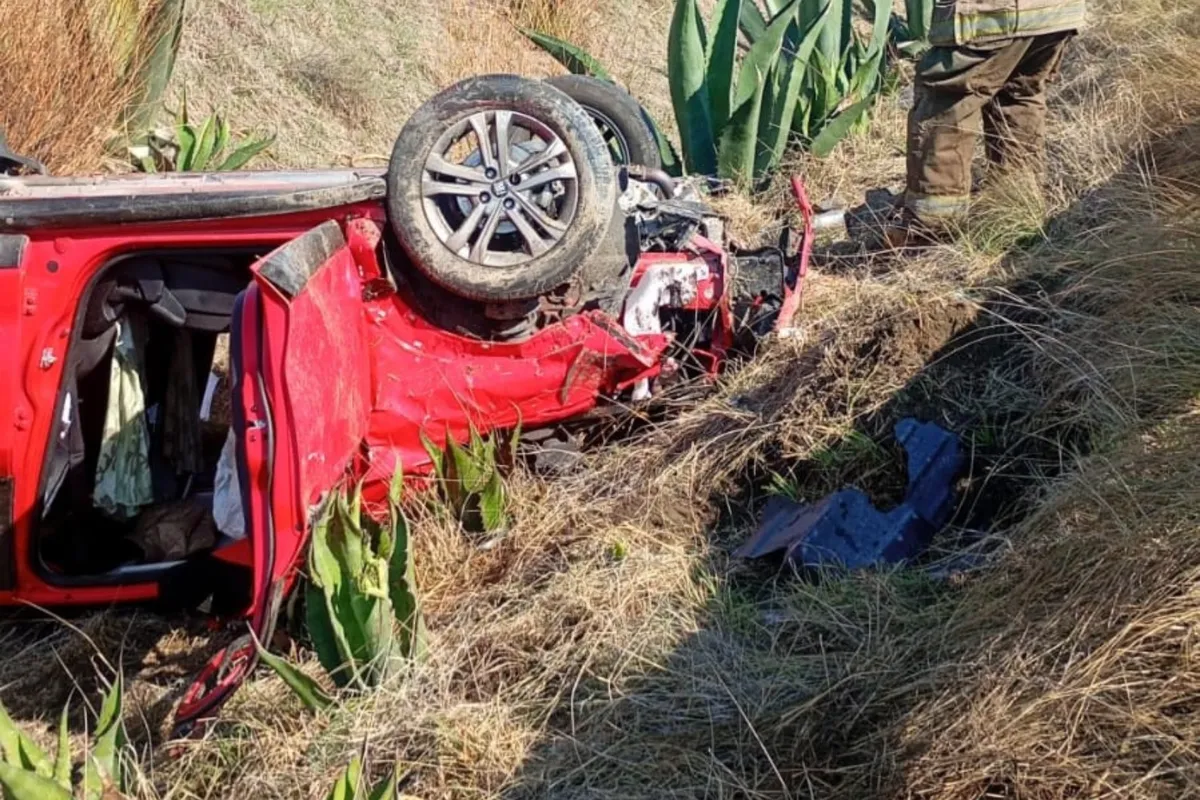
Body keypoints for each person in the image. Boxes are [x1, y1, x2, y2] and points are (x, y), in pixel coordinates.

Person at [892, 0, 1087, 243]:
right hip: (1055, 14)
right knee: (1017, 95)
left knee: (947, 102)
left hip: (991, 15)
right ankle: (1016, 208)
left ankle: (931, 227)